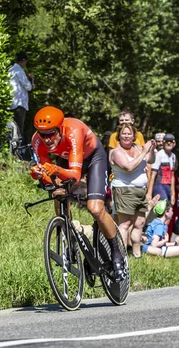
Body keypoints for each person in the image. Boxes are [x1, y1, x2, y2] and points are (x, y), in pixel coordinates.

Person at [29, 106, 126, 281]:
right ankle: (70, 235)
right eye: (43, 135)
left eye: (51, 134)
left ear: (61, 128)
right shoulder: (37, 140)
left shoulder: (73, 131)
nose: (47, 139)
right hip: (66, 160)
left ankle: (117, 253)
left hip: (93, 159)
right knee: (58, 192)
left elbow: (74, 175)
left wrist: (55, 169)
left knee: (95, 209)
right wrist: (40, 175)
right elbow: (47, 176)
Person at [109, 123, 156, 258]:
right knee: (125, 224)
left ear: (134, 136)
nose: (126, 136)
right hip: (124, 190)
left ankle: (137, 254)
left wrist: (150, 149)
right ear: (119, 136)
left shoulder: (137, 147)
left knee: (139, 223)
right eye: (123, 133)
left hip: (140, 190)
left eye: (129, 133)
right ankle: (121, 257)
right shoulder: (116, 152)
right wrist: (143, 152)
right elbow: (128, 167)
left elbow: (151, 160)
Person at [8, 52, 34, 143]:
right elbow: (28, 87)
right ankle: (17, 151)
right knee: (19, 129)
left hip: (11, 103)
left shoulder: (11, 69)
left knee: (11, 128)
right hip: (19, 103)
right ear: (23, 61)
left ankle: (11, 148)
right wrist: (30, 79)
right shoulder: (19, 70)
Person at [147, 133, 177, 204]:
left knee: (168, 208)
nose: (169, 143)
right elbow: (153, 174)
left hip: (168, 186)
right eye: (166, 141)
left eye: (171, 141)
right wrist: (149, 193)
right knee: (162, 205)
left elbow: (172, 175)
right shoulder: (159, 155)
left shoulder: (173, 156)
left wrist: (173, 194)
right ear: (163, 143)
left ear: (174, 143)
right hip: (159, 184)